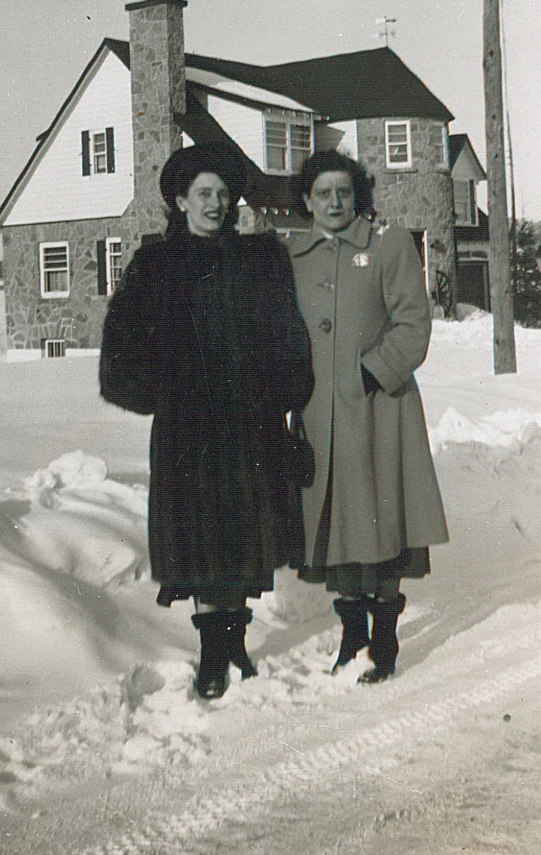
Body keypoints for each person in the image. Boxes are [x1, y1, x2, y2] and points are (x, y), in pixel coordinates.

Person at [99, 143, 314, 699]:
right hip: (186, 431)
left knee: (241, 536)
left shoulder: (259, 261)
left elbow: (289, 337)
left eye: (223, 194)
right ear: (180, 199)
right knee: (199, 541)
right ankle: (212, 656)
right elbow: (119, 356)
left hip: (248, 424)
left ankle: (236, 644)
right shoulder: (154, 265)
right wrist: (165, 392)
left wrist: (283, 396)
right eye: (204, 194)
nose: (216, 204)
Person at [287, 149, 448, 684]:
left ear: (359, 197)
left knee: (379, 527)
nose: (334, 202)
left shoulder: (389, 245)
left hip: (380, 412)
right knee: (338, 531)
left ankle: (383, 642)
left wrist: (372, 373)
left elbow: (413, 325)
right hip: (319, 417)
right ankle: (351, 639)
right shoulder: (293, 256)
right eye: (323, 193)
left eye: (344, 192)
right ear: (307, 201)